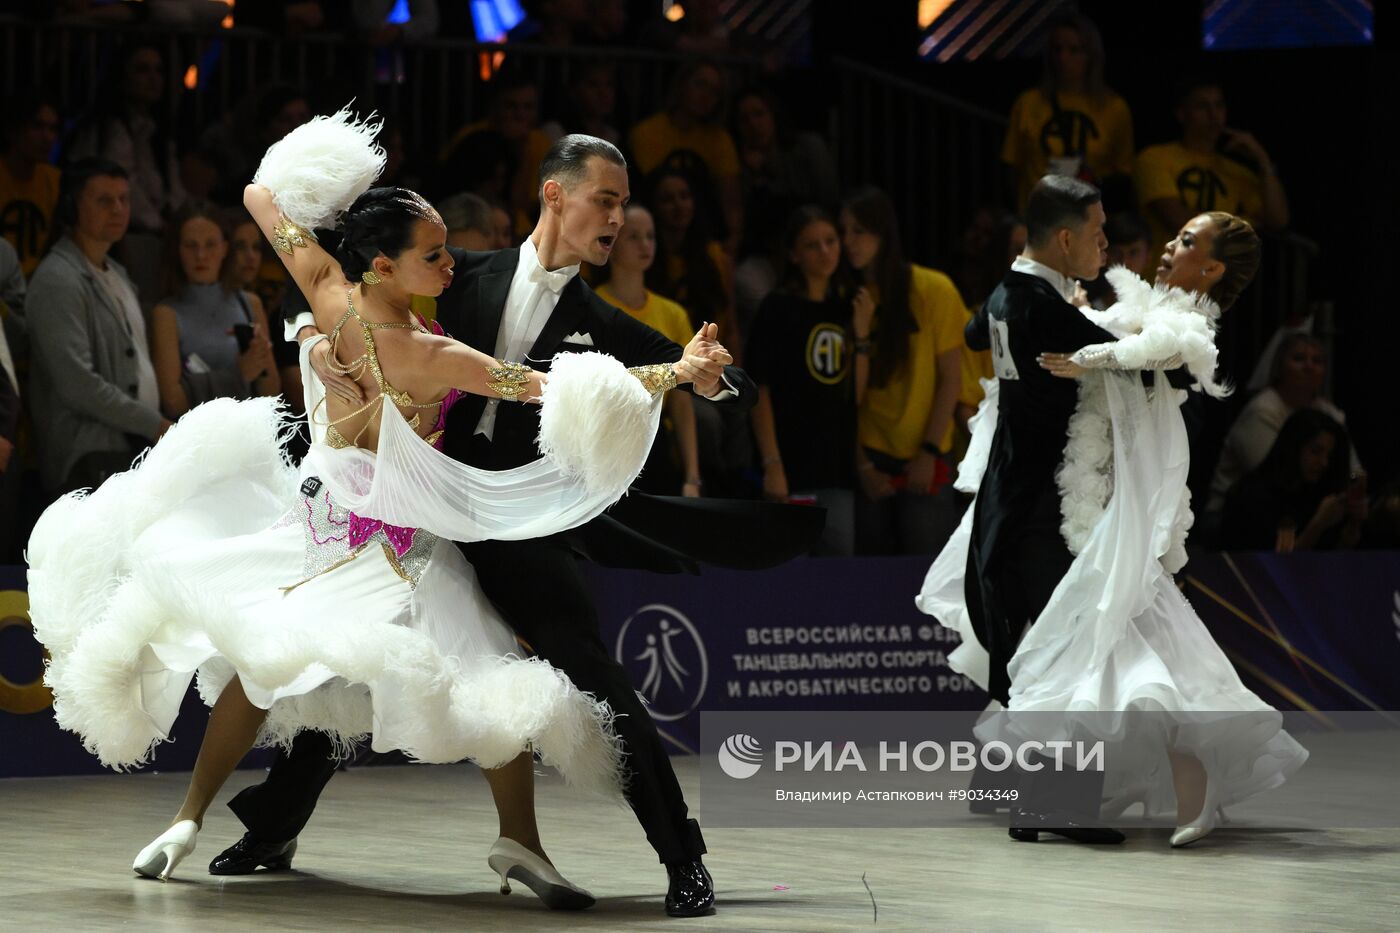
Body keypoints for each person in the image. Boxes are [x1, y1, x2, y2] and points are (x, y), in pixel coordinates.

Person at [27, 110, 711, 906]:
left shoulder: (330, 293)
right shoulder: (434, 352)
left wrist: (324, 270)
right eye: (435, 254)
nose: (451, 263)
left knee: (266, 658)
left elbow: (258, 199)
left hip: (323, 525)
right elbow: (548, 385)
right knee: (489, 673)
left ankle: (188, 817)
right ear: (386, 265)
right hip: (398, 546)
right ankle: (518, 839)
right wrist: (671, 375)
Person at [223, 132, 779, 919]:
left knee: (596, 673)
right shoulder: (450, 268)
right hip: (414, 514)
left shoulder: (603, 320)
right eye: (606, 200)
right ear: (555, 194)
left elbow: (710, 380)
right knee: (360, 660)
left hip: (514, 527)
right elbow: (320, 276)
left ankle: (682, 857)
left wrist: (710, 378)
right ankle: (273, 826)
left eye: (624, 204)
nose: (618, 218)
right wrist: (313, 342)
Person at [922, 196, 1305, 847]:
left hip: (1116, 504)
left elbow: (1153, 350)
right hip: (1086, 494)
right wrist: (1072, 320)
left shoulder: (1190, 325)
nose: (1170, 245)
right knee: (1101, 634)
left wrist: (1092, 354)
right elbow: (1074, 328)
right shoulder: (1134, 302)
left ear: (1212, 270)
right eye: (1177, 235)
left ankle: (1114, 789)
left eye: (1188, 241)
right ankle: (1067, 791)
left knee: (1113, 632)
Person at [26, 157, 170, 495]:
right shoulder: (58, 279)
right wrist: (154, 424)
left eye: (124, 199)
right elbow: (78, 384)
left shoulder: (117, 273)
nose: (118, 209)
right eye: (104, 200)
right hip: (87, 457)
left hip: (129, 451)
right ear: (71, 207)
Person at [841, 187, 966, 555]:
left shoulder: (934, 288)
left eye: (858, 231)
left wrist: (929, 451)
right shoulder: (848, 296)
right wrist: (862, 465)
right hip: (868, 453)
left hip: (925, 451)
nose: (848, 242)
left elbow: (951, 379)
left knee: (924, 572)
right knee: (868, 576)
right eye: (843, 231)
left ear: (882, 233)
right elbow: (844, 397)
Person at [747, 205, 864, 555]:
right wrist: (772, 464)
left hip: (836, 467)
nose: (825, 252)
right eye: (813, 245)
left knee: (839, 570)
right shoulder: (777, 308)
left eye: (831, 241)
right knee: (788, 569)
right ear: (794, 254)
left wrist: (862, 338)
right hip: (790, 463)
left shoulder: (847, 307)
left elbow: (855, 396)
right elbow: (759, 389)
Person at [594, 203, 702, 497]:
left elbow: (681, 401)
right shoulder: (594, 307)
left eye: (650, 236)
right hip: (604, 440)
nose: (645, 244)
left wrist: (692, 476)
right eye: (634, 236)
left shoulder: (673, 313)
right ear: (611, 243)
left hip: (655, 441)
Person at [148, 201, 280, 419]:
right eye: (191, 245)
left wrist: (261, 359)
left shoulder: (249, 303)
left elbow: (271, 390)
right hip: (201, 431)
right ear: (178, 250)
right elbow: (173, 402)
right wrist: (237, 375)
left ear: (225, 248)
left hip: (250, 425)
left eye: (210, 245)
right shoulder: (166, 314)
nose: (201, 255)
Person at [1134, 73, 1289, 255]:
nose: (1214, 115)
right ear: (1182, 114)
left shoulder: (1235, 171)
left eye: (1219, 105)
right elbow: (1181, 223)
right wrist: (1245, 223)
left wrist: (1263, 161)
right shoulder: (1154, 158)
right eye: (1202, 106)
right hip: (1165, 268)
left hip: (1214, 272)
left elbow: (1278, 220)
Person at [1207, 333, 1361, 515]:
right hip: (1237, 515)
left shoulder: (1328, 412)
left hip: (1300, 507)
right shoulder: (1262, 410)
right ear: (1279, 368)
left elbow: (1353, 470)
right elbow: (1273, 480)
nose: (1309, 366)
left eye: (1317, 361)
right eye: (1299, 359)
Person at [1001, 11, 1134, 213]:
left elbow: (1123, 172)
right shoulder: (1028, 103)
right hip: (1037, 217)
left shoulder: (1114, 107)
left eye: (1074, 50)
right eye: (1057, 49)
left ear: (1091, 55)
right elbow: (1012, 167)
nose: (1063, 58)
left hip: (1087, 217)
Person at [628, 61, 743, 254]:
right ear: (682, 85)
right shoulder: (646, 133)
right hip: (656, 232)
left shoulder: (719, 139)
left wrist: (733, 240)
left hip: (705, 234)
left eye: (714, 91)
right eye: (700, 84)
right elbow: (650, 192)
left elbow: (730, 198)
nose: (706, 95)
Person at [1219, 409, 1363, 551]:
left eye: (1329, 456)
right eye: (1316, 451)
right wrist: (1318, 524)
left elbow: (1331, 556)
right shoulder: (1253, 496)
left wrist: (1353, 524)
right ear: (1294, 446)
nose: (1324, 462)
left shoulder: (1315, 492)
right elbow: (1279, 562)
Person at [0, 91, 63, 277]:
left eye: (53, 129)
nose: (47, 137)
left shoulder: (55, 180)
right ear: (13, 131)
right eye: (37, 126)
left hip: (36, 282)